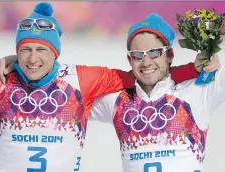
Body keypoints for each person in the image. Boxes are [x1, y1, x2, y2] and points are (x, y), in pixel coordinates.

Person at [0, 3, 217, 172]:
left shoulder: (83, 79)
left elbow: (142, 74)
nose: (33, 58)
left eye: (41, 49)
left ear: (55, 51)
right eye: (25, 49)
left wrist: (189, 68)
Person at [90, 14, 223, 172]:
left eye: (154, 53)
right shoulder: (117, 101)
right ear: (129, 59)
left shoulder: (196, 92)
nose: (146, 63)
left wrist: (211, 58)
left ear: (170, 56)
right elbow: (66, 99)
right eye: (137, 55)